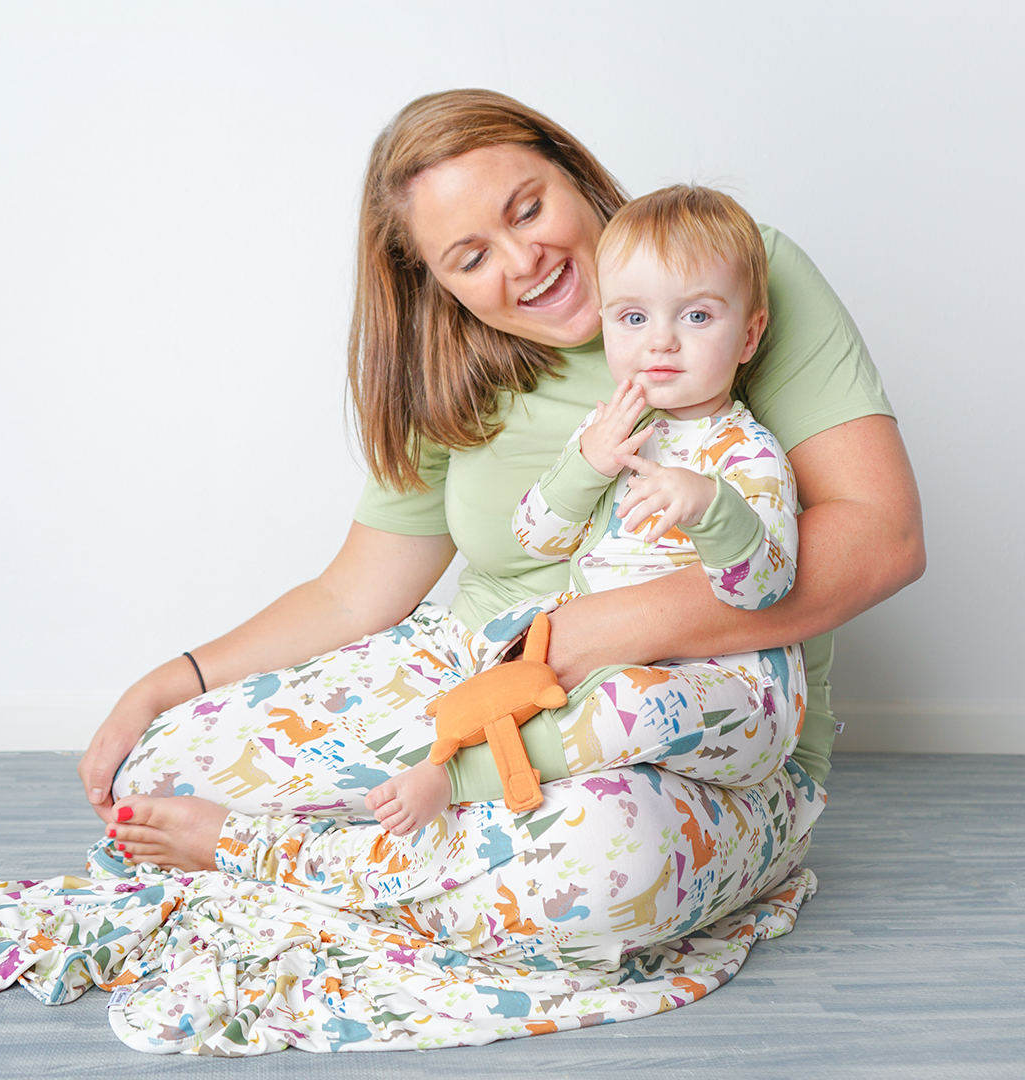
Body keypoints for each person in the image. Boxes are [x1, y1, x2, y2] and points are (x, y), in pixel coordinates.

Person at [72, 89, 922, 1028]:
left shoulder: (723, 267)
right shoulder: (452, 369)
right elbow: (353, 593)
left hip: (689, 714)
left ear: (573, 168)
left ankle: (279, 855)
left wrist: (597, 631)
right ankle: (438, 855)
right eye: (470, 257)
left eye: (528, 208)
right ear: (437, 282)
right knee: (157, 775)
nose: (525, 262)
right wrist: (167, 682)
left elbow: (882, 538)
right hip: (478, 671)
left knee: (602, 869)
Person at [366, 185, 806, 837]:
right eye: (633, 319)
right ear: (606, 324)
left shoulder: (747, 454)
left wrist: (710, 506)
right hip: (613, 669)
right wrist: (587, 465)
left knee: (638, 704)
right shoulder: (614, 431)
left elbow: (768, 585)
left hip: (734, 694)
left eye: (696, 318)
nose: (662, 343)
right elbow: (536, 538)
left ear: (749, 335)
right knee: (527, 664)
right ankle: (499, 771)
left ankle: (459, 780)